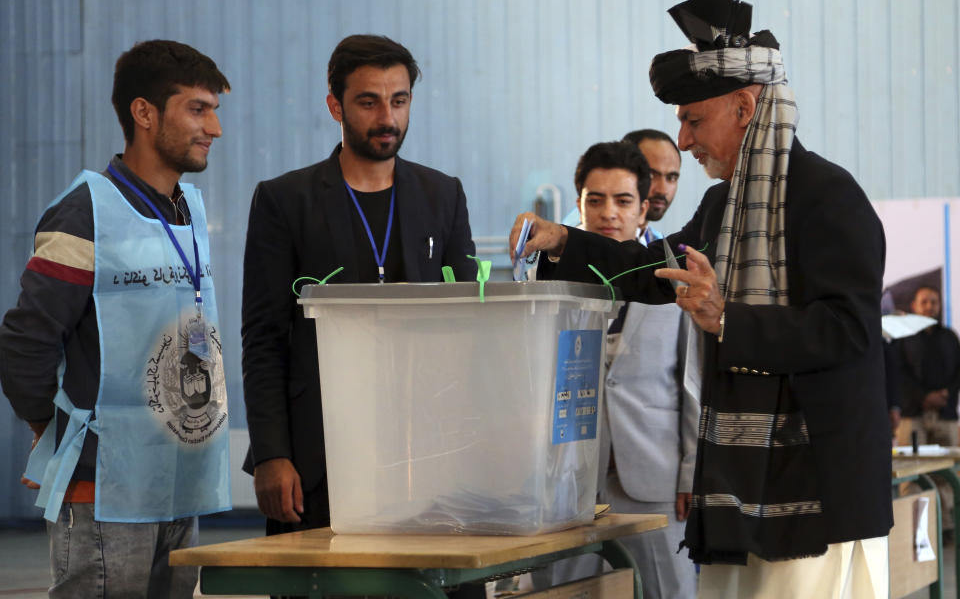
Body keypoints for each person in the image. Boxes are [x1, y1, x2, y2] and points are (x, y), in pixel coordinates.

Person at [512, 0, 891, 597]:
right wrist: (565, 241)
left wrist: (727, 319)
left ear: (744, 108)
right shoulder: (722, 206)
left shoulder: (829, 195)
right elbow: (648, 270)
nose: (682, 141)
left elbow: (848, 331)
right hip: (738, 487)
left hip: (813, 491)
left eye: (693, 120)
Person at [0, 39, 232, 598]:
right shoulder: (84, 214)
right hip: (105, 488)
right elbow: (24, 343)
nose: (214, 128)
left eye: (215, 110)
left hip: (179, 480)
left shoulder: (188, 208)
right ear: (145, 113)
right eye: (198, 109)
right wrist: (54, 430)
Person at [241, 34, 477, 537]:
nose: (387, 118)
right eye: (368, 102)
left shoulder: (443, 196)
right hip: (320, 457)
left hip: (426, 451)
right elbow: (263, 338)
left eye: (399, 100)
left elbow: (466, 326)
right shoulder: (285, 201)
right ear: (335, 106)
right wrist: (272, 454)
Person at [534, 141, 698, 599]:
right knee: (567, 592)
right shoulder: (551, 281)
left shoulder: (674, 277)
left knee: (670, 590)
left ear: (644, 209)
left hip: (655, 476)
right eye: (595, 200)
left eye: (623, 201)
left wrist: (691, 474)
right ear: (579, 204)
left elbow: (692, 383)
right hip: (570, 480)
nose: (609, 213)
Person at [891, 285, 960, 446]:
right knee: (912, 468)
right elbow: (899, 373)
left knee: (946, 470)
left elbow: (957, 372)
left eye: (934, 302)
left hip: (945, 416)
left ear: (939, 305)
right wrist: (924, 397)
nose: (929, 306)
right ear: (914, 305)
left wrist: (945, 394)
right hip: (912, 416)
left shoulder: (950, 337)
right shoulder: (903, 337)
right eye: (924, 302)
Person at [622, 128, 682, 242]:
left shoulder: (661, 247)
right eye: (651, 175)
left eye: (671, 178)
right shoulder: (581, 240)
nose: (662, 190)